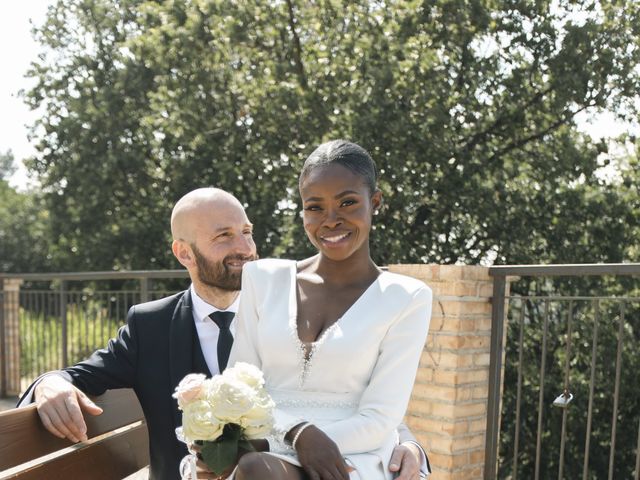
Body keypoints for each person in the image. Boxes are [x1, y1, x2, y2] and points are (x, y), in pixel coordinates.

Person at [18, 187, 430, 480]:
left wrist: (408, 444)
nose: (246, 248)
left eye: (247, 231)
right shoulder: (150, 326)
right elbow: (81, 375)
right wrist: (50, 382)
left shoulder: (288, 307)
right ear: (183, 253)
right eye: (223, 237)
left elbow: (348, 393)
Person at [227, 140, 433, 480]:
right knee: (255, 469)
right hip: (268, 444)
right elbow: (240, 387)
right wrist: (296, 433)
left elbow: (381, 419)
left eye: (347, 203)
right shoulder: (262, 279)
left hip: (352, 455)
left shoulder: (407, 298)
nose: (331, 220)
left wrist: (312, 442)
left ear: (375, 202)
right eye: (315, 207)